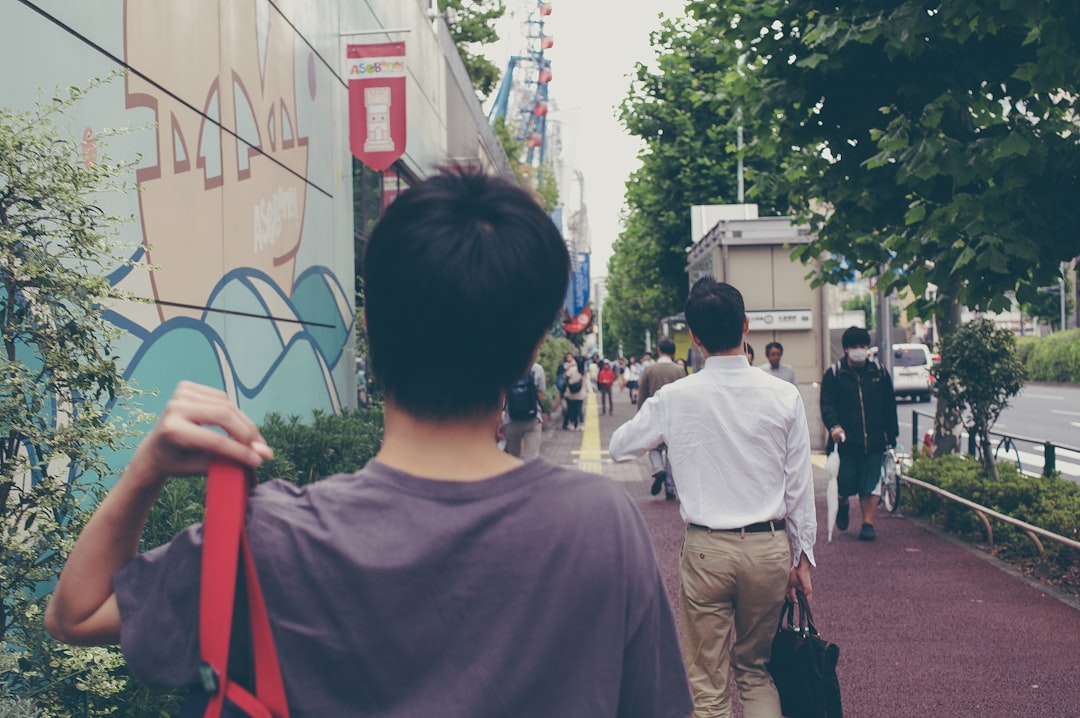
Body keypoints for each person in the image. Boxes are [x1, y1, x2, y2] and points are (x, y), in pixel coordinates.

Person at [45, 168, 693, 718]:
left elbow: (76, 614)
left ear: (372, 330)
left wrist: (147, 467)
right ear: (529, 351)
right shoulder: (603, 524)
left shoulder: (265, 539)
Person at [609, 277, 816, 718]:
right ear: (746, 326)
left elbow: (620, 447)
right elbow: (799, 486)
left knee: (707, 686)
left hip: (707, 550)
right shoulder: (783, 396)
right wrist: (802, 558)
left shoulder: (676, 397)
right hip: (768, 548)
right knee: (757, 672)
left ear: (696, 338)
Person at [820, 326, 899, 542]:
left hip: (874, 440)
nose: (859, 350)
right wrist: (834, 426)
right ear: (846, 349)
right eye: (854, 346)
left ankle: (868, 523)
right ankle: (843, 503)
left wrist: (891, 435)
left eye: (863, 346)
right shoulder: (835, 374)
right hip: (845, 441)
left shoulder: (879, 373)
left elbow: (889, 406)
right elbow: (827, 404)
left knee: (870, 483)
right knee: (844, 483)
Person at [637, 337, 686, 501]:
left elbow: (642, 394)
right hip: (675, 417)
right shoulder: (679, 371)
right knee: (672, 452)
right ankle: (670, 488)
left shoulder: (649, 370)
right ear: (673, 352)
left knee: (654, 447)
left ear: (658, 350)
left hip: (655, 416)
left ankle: (658, 469)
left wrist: (640, 417)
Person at [503, 360, 546, 459]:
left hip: (511, 419)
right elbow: (540, 395)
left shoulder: (506, 369)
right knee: (531, 457)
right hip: (533, 419)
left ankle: (515, 474)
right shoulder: (537, 369)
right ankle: (529, 474)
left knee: (513, 457)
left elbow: (502, 396)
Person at [562, 356, 587, 431]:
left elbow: (565, 377)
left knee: (572, 409)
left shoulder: (572, 369)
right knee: (579, 409)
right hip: (581, 393)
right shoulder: (583, 370)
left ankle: (572, 424)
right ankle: (581, 424)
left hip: (571, 393)